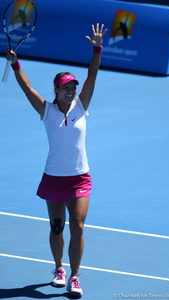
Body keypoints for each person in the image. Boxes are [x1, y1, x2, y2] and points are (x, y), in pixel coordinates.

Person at [6, 23, 107, 297]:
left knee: (78, 226)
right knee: (57, 227)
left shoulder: (82, 106)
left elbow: (92, 78)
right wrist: (16, 66)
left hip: (79, 177)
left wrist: (97, 49)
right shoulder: (46, 110)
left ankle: (75, 277)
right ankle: (59, 269)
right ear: (57, 89)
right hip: (53, 177)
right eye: (66, 87)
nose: (72, 91)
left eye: (73, 87)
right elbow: (27, 88)